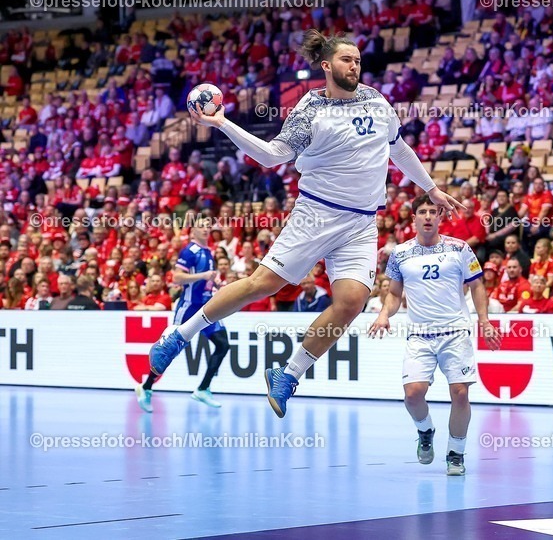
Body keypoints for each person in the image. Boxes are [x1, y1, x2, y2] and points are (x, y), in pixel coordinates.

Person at [146, 32, 464, 418]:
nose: (355, 66)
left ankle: (288, 374)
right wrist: (224, 124)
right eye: (347, 60)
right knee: (262, 285)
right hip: (316, 213)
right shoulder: (309, 112)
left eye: (358, 60)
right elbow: (270, 156)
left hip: (361, 222)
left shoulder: (378, 101)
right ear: (327, 66)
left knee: (351, 302)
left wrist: (430, 189)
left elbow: (398, 148)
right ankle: (177, 336)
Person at [370, 194, 501, 476]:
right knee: (413, 395)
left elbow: (477, 286)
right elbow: (394, 293)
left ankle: (455, 453)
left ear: (441, 217)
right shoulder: (401, 253)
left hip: (455, 332)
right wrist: (383, 314)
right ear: (414, 217)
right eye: (423, 212)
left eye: (433, 211)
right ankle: (425, 430)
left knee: (460, 393)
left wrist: (484, 320)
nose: (428, 216)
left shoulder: (460, 248)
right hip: (419, 335)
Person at [136, 218, 229, 412]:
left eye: (207, 226)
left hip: (207, 306)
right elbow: (177, 277)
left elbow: (206, 280)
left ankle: (203, 389)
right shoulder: (189, 251)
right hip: (188, 307)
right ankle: (146, 387)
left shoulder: (208, 252)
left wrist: (217, 284)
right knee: (172, 350)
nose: (206, 229)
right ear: (192, 231)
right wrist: (202, 276)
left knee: (223, 344)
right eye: (201, 226)